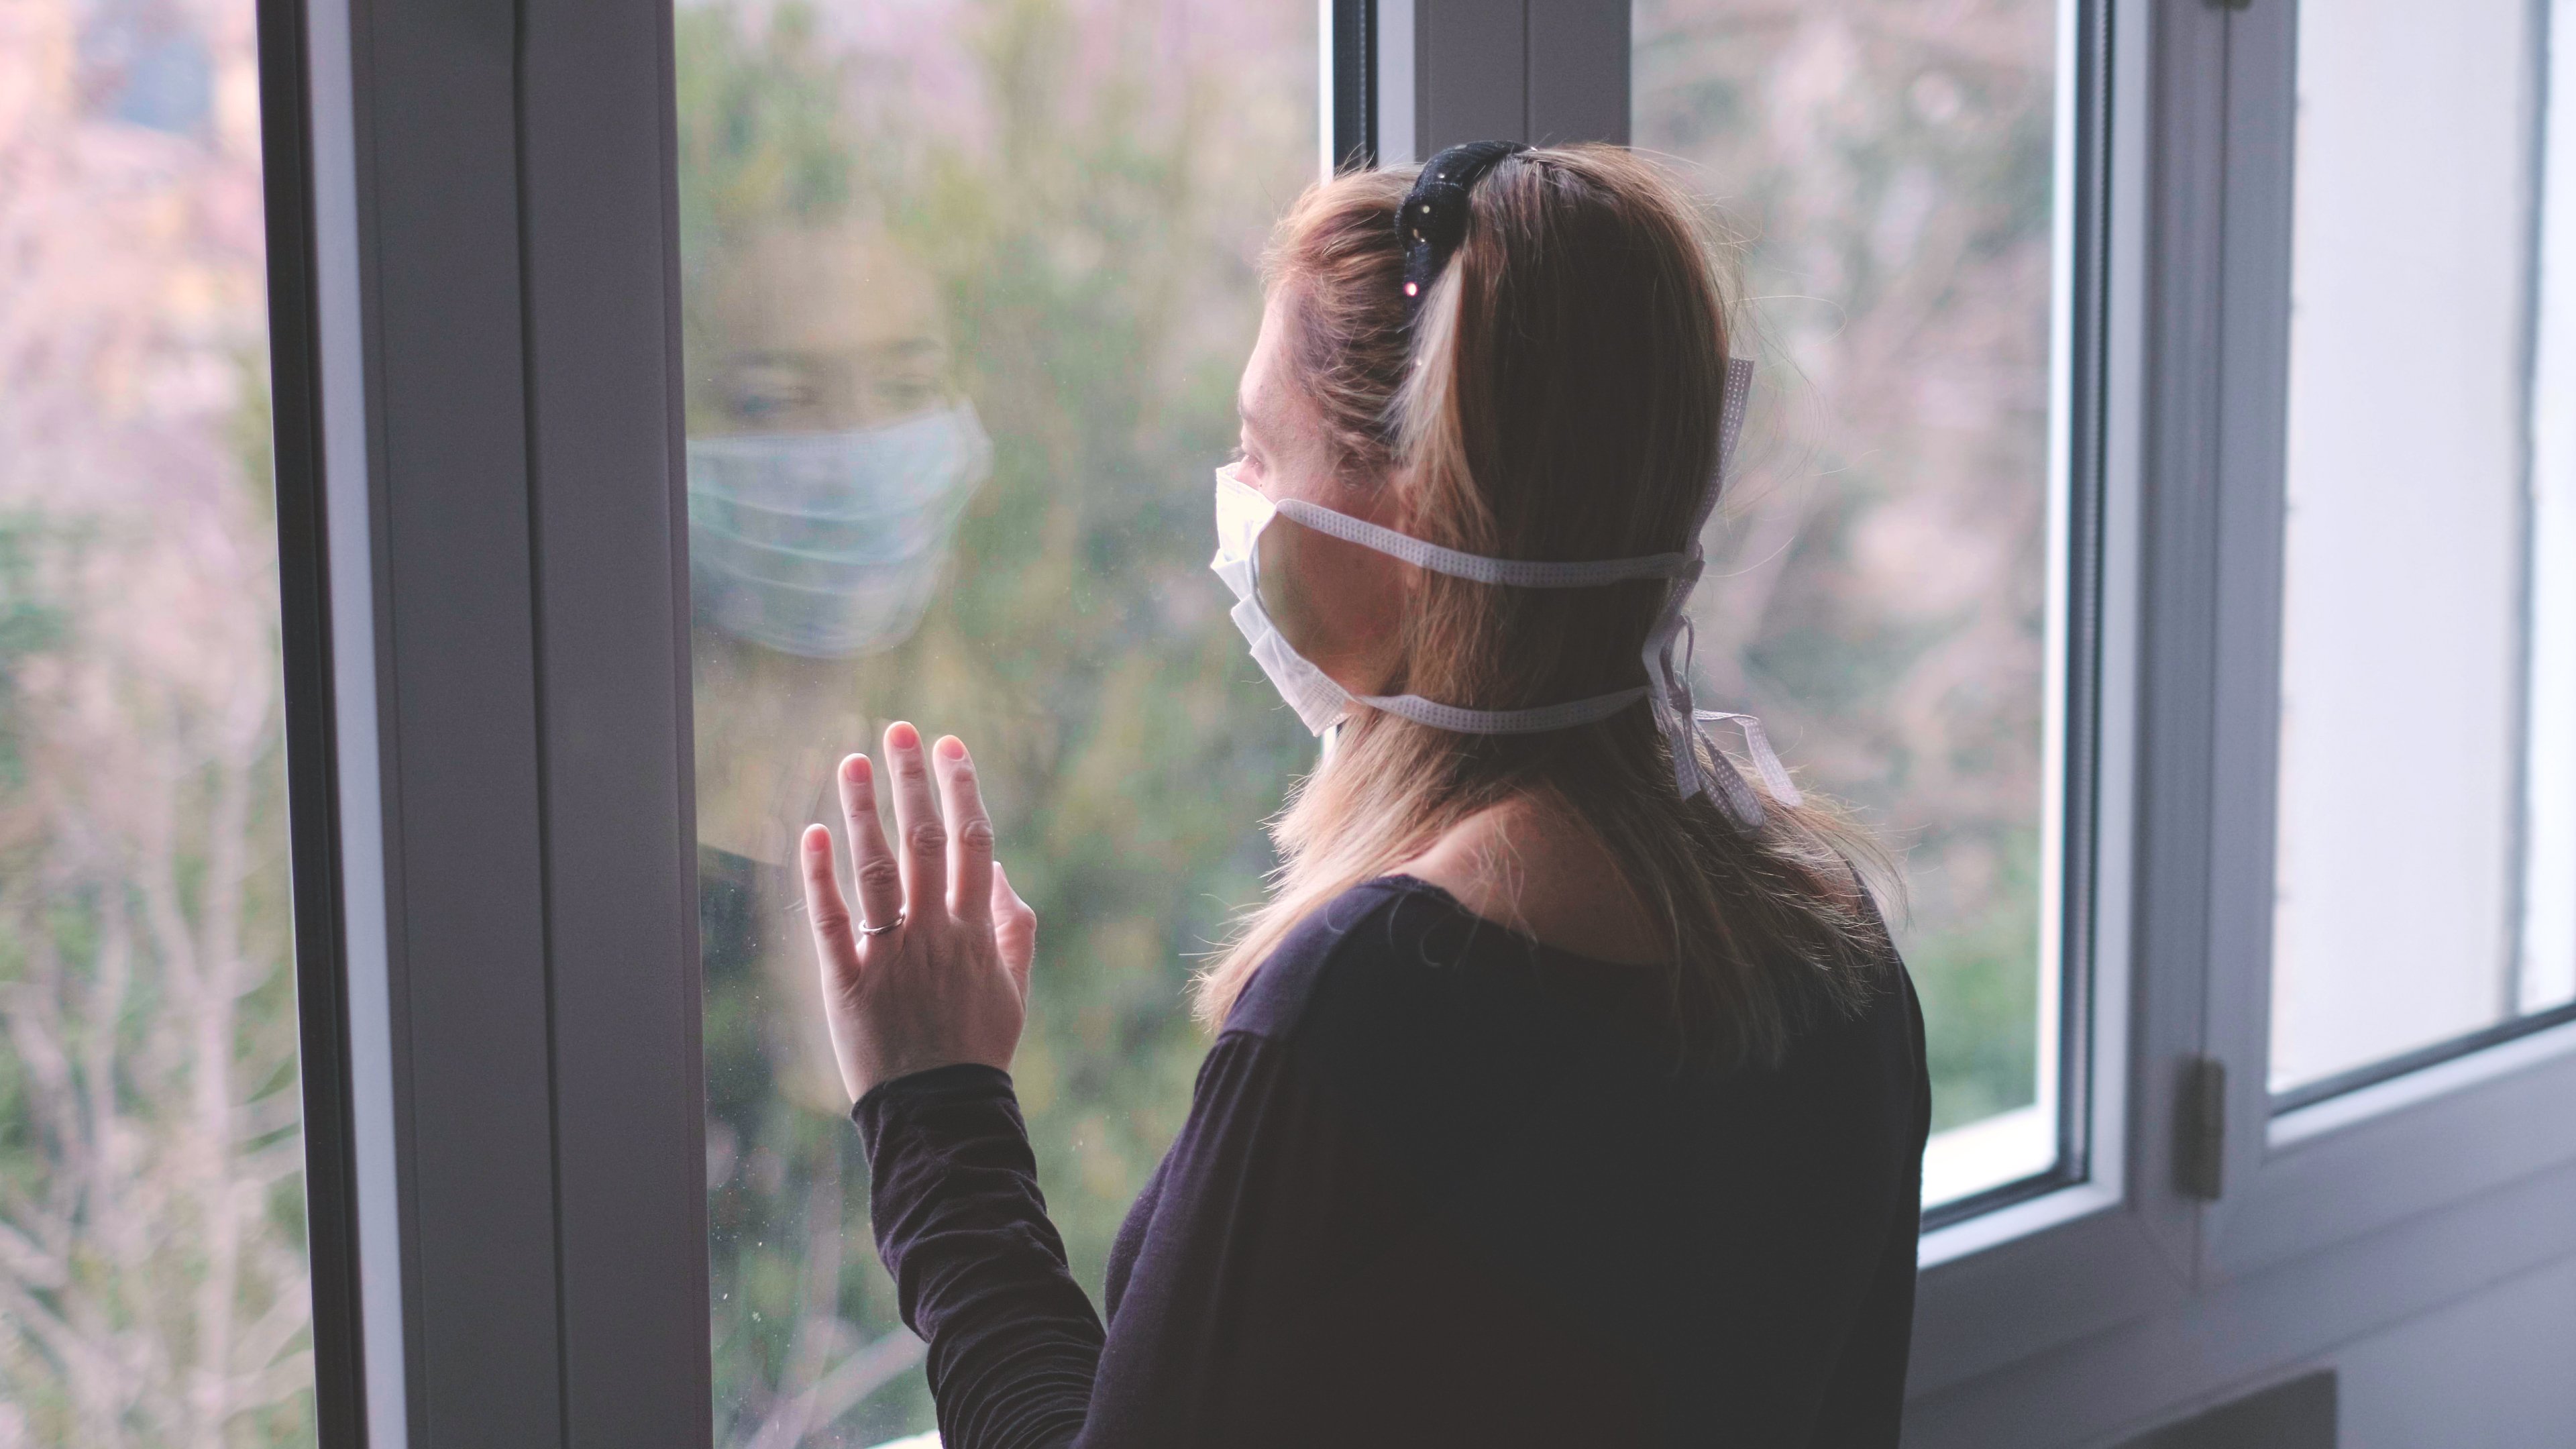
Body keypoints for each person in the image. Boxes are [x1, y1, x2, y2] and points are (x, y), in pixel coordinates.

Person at [797, 142, 1931, 1448]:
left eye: (1258, 451)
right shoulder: (1829, 937)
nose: (1237, 505)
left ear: (1418, 505)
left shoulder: (1376, 1009)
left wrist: (935, 1106)